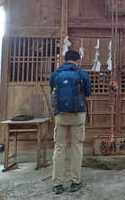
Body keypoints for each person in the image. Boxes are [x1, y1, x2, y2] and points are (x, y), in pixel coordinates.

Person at [50, 50, 92, 194]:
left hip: (60, 115)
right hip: (78, 116)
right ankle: (75, 181)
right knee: (76, 148)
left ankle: (57, 184)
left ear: (65, 59)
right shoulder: (82, 74)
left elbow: (53, 91)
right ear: (78, 60)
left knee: (59, 148)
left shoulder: (55, 74)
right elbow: (88, 92)